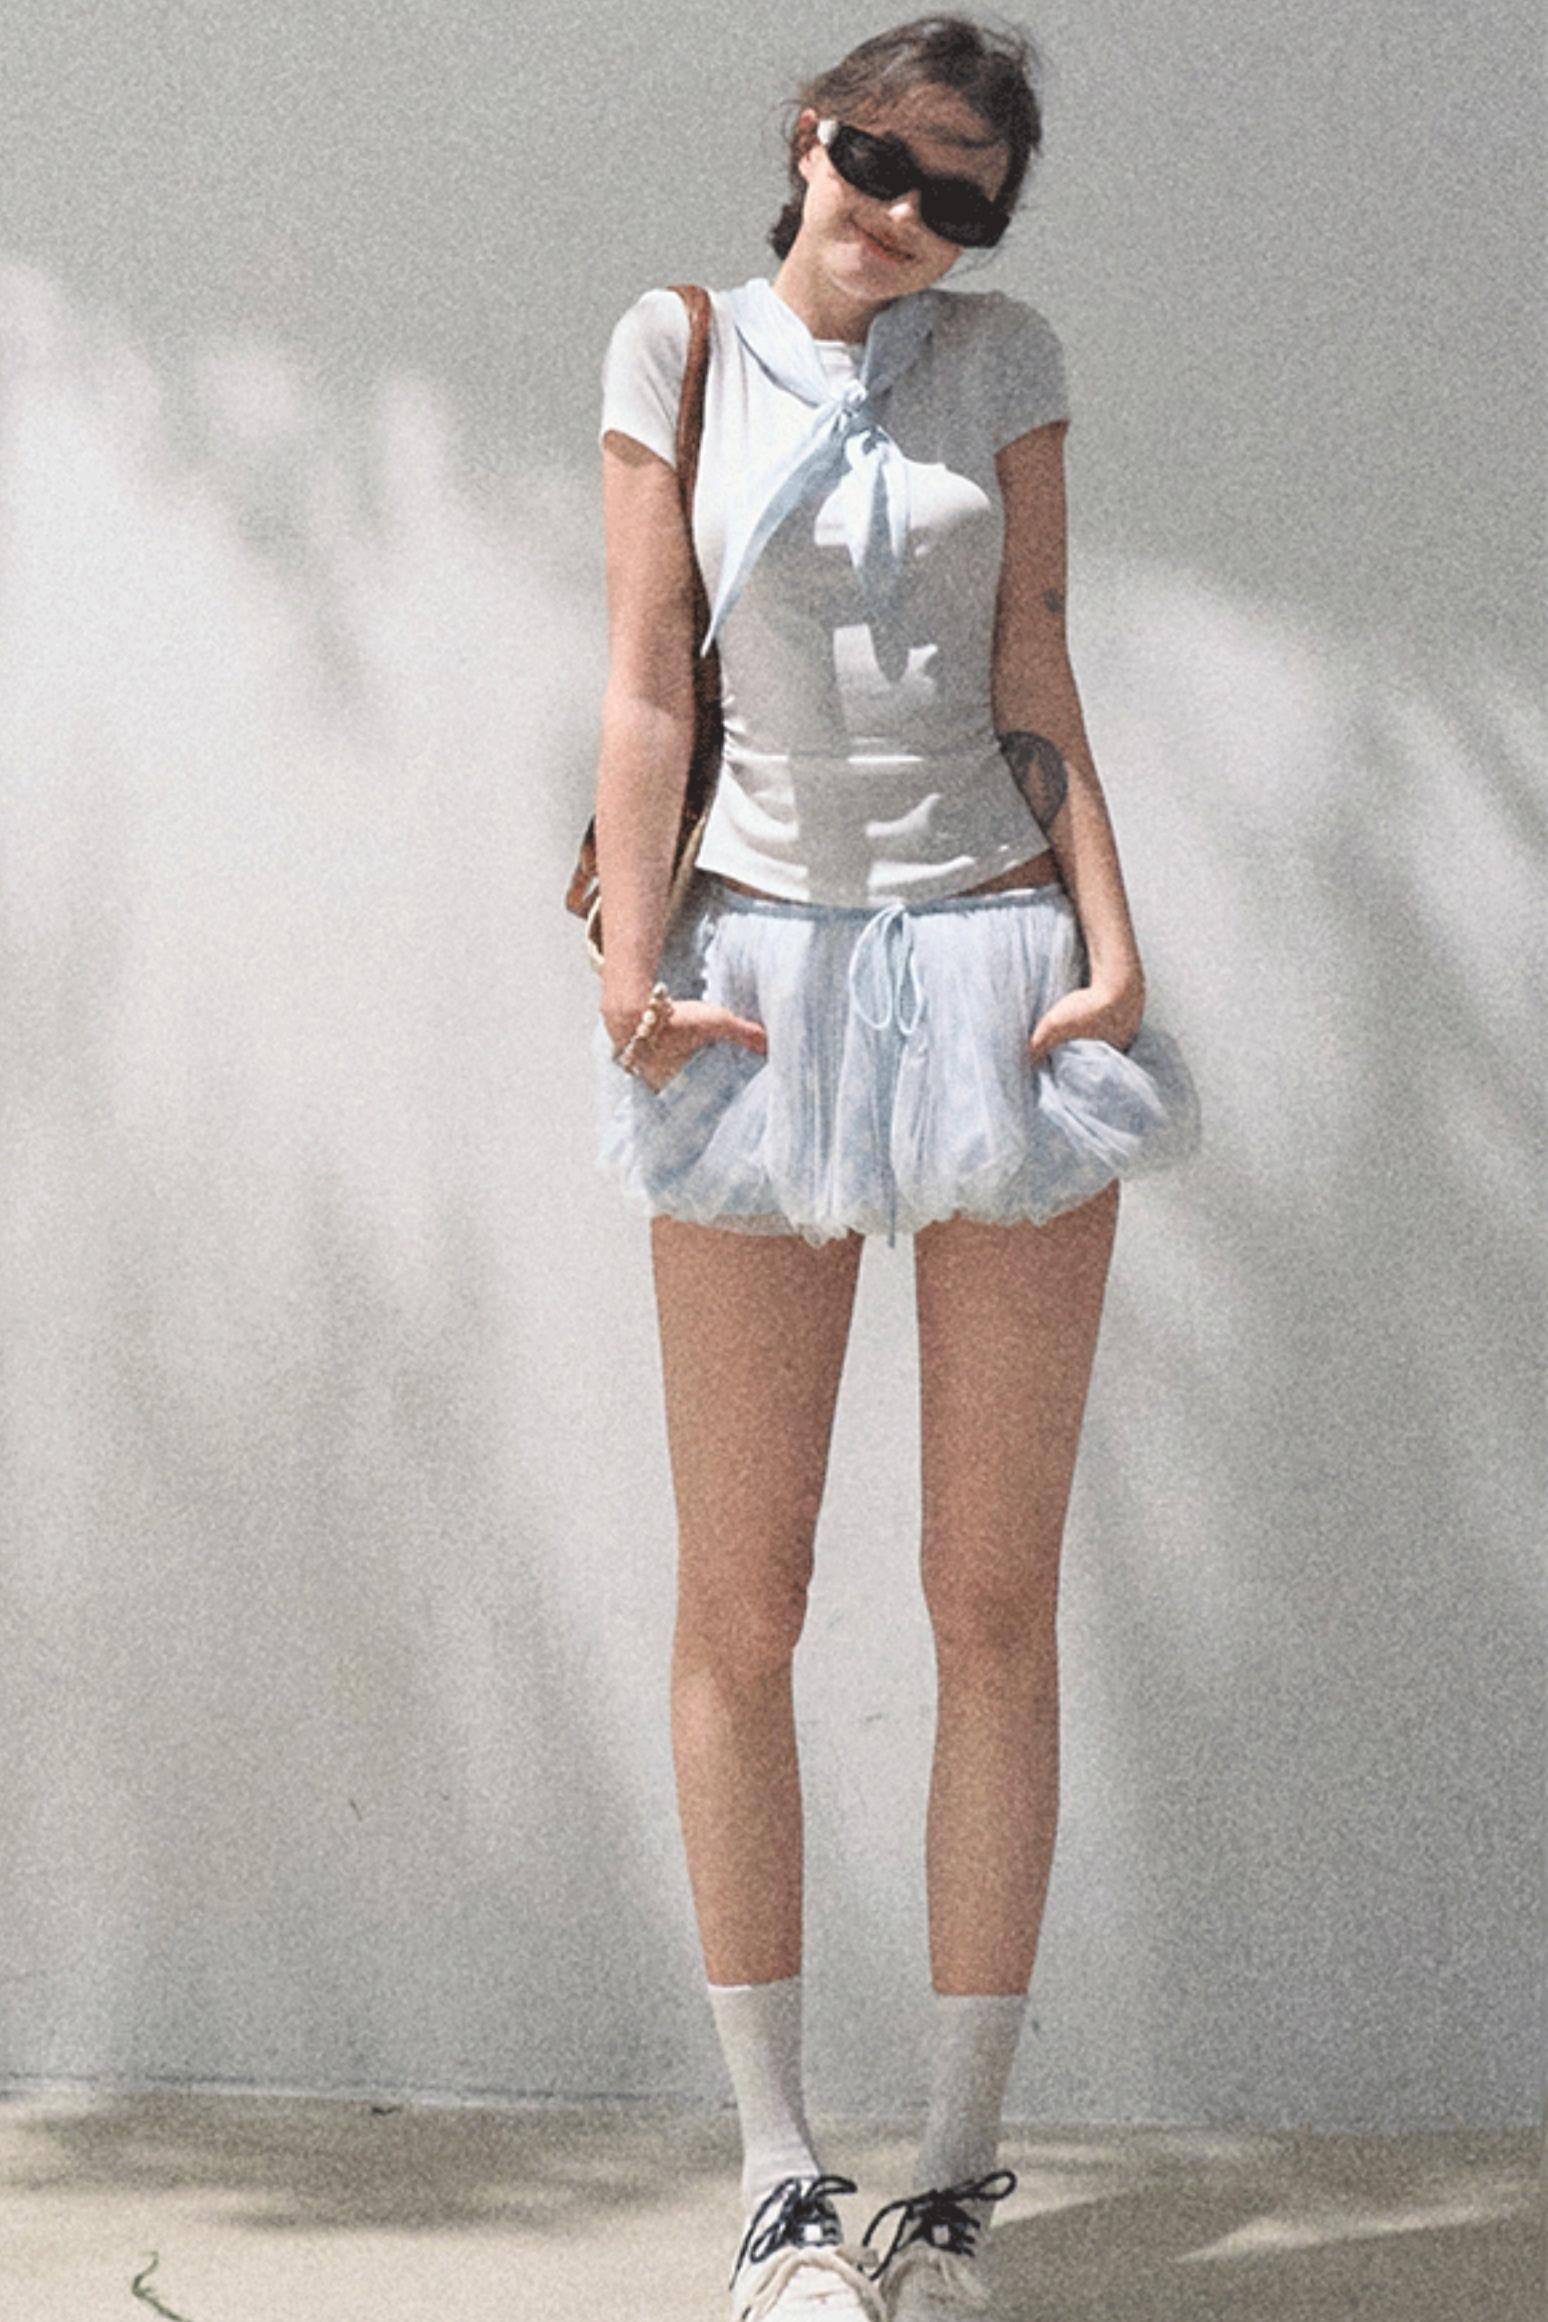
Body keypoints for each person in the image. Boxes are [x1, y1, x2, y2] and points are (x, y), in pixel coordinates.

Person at [585, 16, 1201, 2319]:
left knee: (990, 1602)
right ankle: (777, 2182)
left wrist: (1113, 944)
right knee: (741, 1600)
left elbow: (1033, 655)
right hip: (754, 974)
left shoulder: (1004, 361)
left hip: (998, 967)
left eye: (960, 196)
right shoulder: (674, 349)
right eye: (880, 160)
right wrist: (629, 975)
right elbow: (649, 680)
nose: (907, 216)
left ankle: (949, 2185)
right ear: (806, 137)